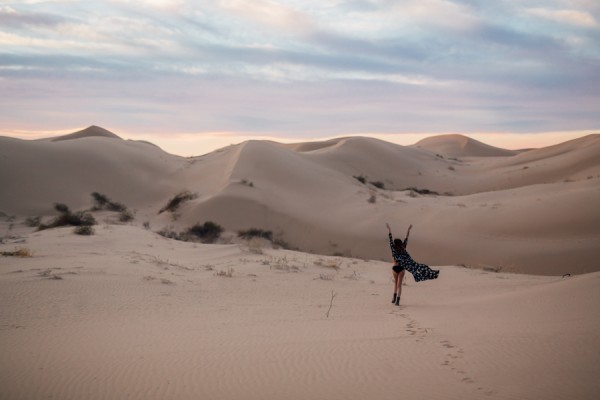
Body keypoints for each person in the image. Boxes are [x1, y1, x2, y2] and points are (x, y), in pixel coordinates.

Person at [386, 223, 439, 306]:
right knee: (399, 285)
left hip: (395, 268)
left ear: (395, 244)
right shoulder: (403, 248)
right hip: (402, 269)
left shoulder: (393, 249)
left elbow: (390, 239)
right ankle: (397, 301)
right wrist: (408, 229)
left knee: (395, 284)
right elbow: (406, 238)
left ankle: (394, 296)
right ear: (400, 243)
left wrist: (389, 229)